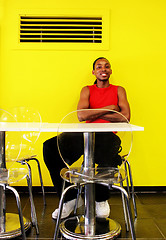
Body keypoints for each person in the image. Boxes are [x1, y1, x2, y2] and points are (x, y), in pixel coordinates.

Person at [43, 57, 130, 220]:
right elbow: (81, 115)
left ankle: (100, 198)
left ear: (110, 71)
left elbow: (125, 117)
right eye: (99, 67)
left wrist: (95, 112)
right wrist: (110, 108)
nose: (103, 69)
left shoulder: (119, 90)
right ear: (94, 72)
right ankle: (71, 198)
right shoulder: (87, 90)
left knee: (105, 152)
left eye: (107, 66)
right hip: (83, 134)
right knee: (49, 147)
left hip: (108, 136)